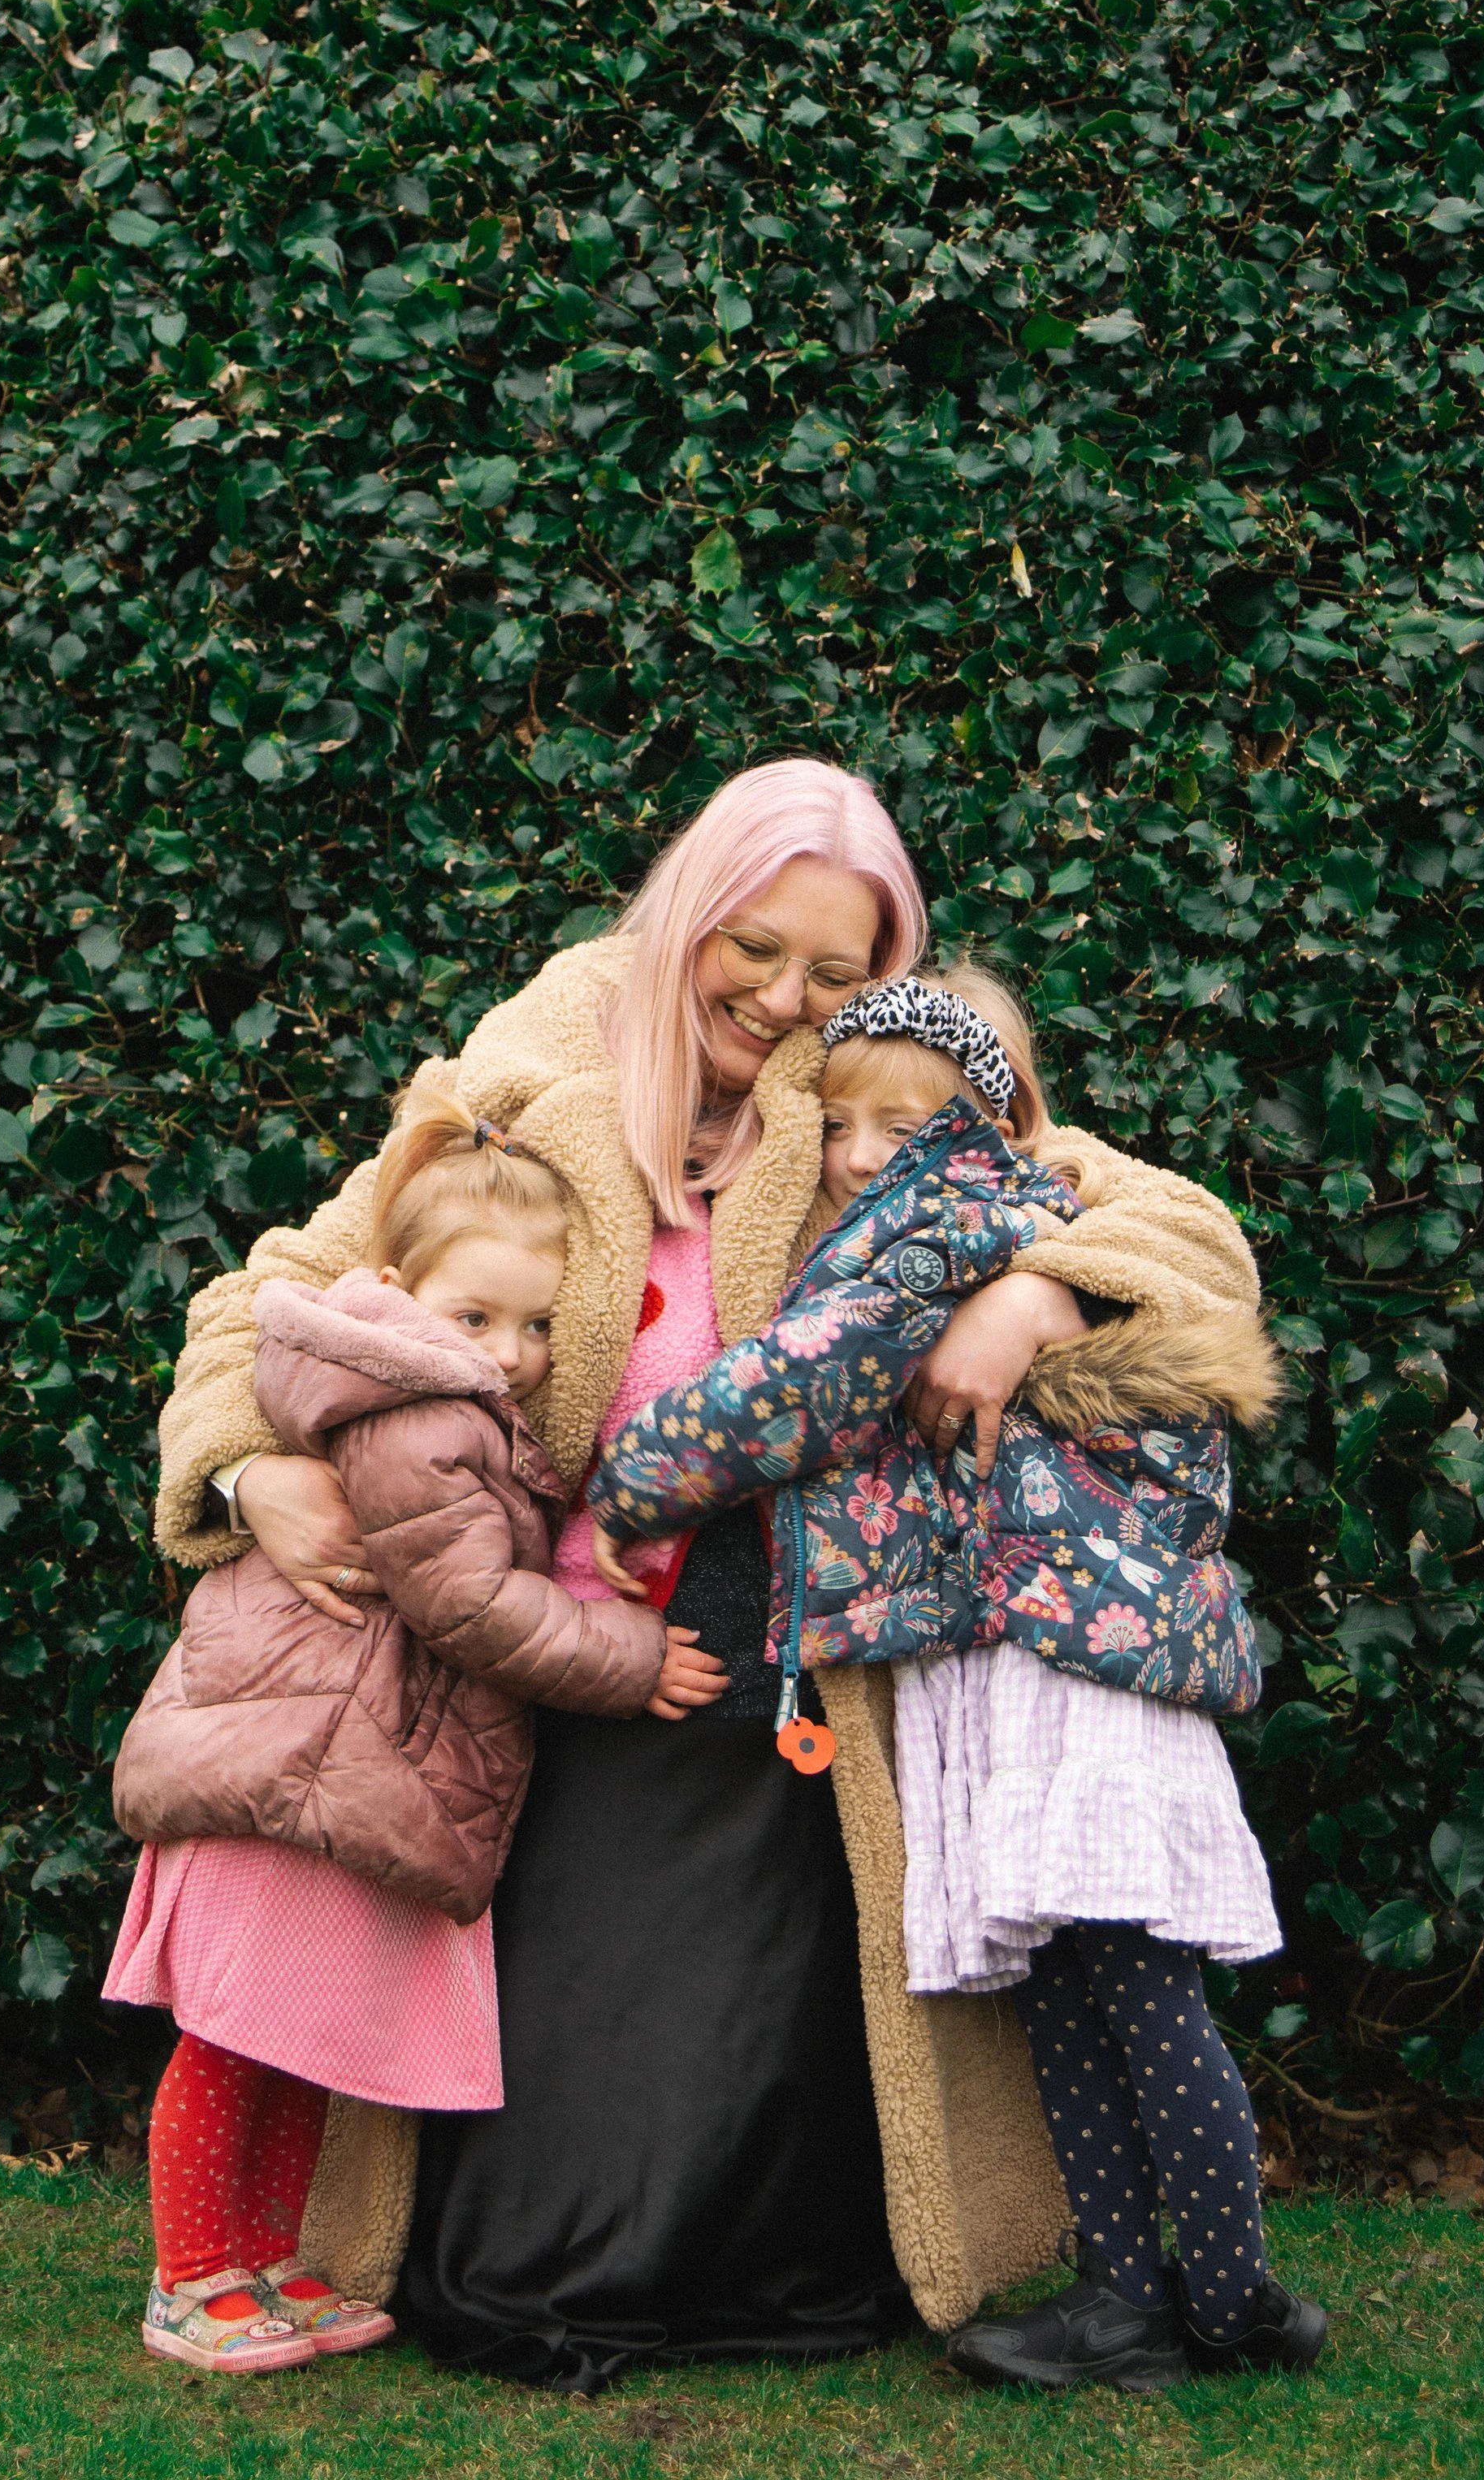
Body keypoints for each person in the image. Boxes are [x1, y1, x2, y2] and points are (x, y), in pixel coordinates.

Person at [150, 757, 1271, 2389]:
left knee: (767, 2054)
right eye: (752, 947)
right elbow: (286, 1288)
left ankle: (852, 2252)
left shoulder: (879, 1090)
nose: (782, 995)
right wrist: (249, 1468)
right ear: (686, 912)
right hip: (551, 1638)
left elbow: (1179, 1234)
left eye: (834, 966)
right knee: (553, 2165)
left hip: (794, 1661)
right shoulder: (528, 1077)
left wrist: (1038, 1301)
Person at [588, 969, 1326, 2391]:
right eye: (841, 1122)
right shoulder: (950, 1211)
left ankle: (1236, 2297)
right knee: (1060, 1986)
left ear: (981, 1123)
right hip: (1005, 1652)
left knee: (1135, 1979)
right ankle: (1122, 2299)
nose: (861, 1153)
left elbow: (801, 1380)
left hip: (1070, 1661)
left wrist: (637, 1485)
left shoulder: (955, 1220)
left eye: (899, 1124)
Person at [106, 1093, 677, 2371]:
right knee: (233, 2036)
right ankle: (195, 2272)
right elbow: (470, 1602)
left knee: (292, 2033)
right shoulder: (417, 1407)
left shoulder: (447, 1393)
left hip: (323, 1754)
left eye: (537, 1324)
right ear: (391, 1285)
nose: (516, 1351)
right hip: (287, 1755)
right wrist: (633, 1658)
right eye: (475, 1316)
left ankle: (267, 2263)